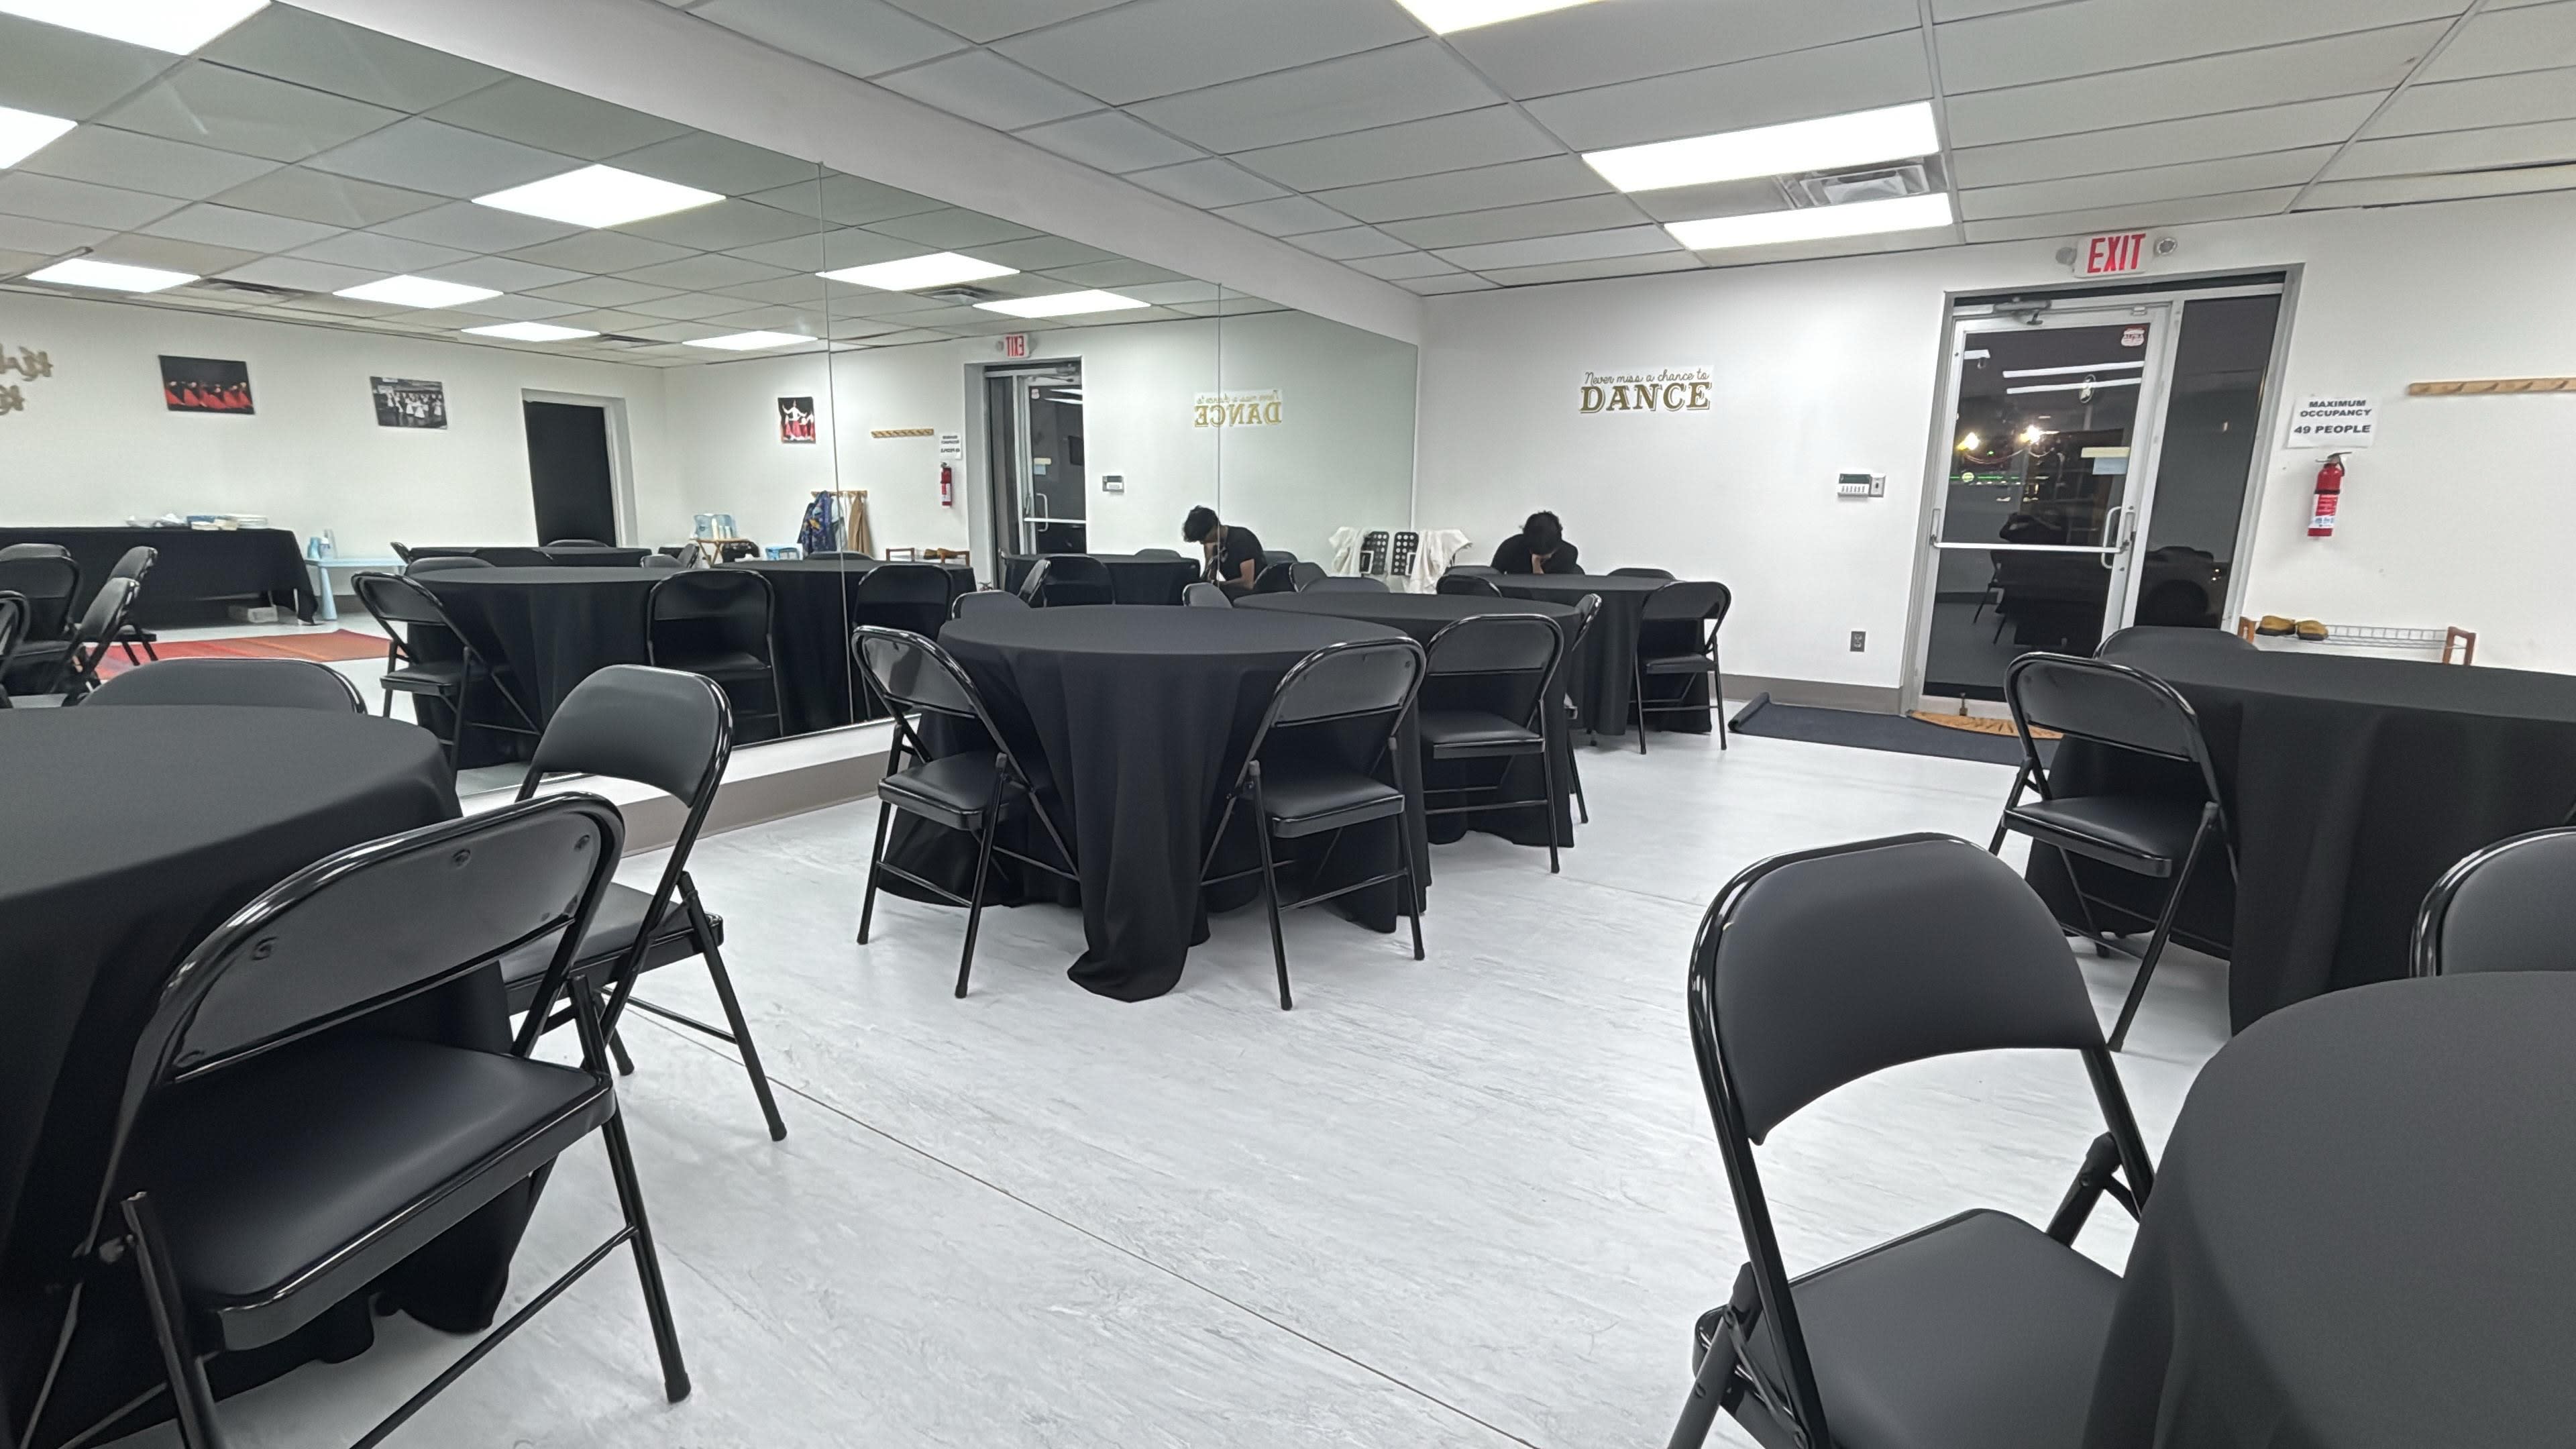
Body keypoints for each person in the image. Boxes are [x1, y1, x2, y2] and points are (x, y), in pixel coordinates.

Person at [1183, 505, 1266, 592]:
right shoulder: (1213, 545)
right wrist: (1210, 559)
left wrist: (1219, 584)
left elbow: (1248, 583)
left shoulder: (1242, 539)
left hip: (1257, 593)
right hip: (1233, 591)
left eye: (1203, 538)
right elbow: (1209, 580)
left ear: (1214, 528)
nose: (1202, 543)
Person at [1493, 511, 1580, 574]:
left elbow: (1552, 593)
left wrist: (1536, 563)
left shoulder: (1568, 554)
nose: (1549, 556)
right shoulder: (1510, 547)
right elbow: (1491, 580)